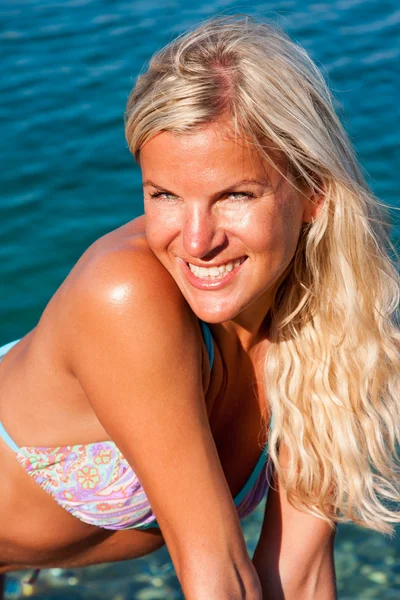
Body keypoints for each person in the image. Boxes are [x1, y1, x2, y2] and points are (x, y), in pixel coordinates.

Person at [0, 15, 399, 600]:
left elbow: (300, 571)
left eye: (234, 195)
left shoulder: (340, 316)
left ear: (313, 191)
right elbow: (215, 574)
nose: (194, 242)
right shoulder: (125, 298)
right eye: (164, 195)